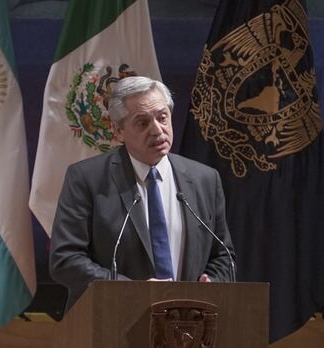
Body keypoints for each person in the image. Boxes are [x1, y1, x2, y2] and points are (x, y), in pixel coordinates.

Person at [50, 76, 235, 312]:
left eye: (162, 117)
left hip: (188, 328)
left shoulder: (205, 180)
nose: (157, 130)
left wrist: (213, 282)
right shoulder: (87, 179)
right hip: (111, 326)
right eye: (142, 123)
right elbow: (65, 260)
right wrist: (133, 291)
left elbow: (224, 257)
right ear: (118, 131)